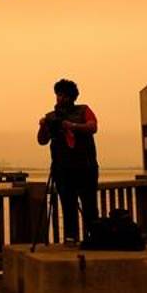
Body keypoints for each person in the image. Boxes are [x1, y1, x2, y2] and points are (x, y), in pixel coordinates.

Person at [36, 79, 99, 245]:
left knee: (89, 204)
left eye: (64, 95)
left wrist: (71, 126)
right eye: (58, 95)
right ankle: (71, 238)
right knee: (67, 204)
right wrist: (43, 126)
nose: (60, 99)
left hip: (86, 167)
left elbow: (93, 127)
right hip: (61, 168)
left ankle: (95, 238)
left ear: (72, 97)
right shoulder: (51, 117)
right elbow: (42, 141)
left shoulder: (84, 110)